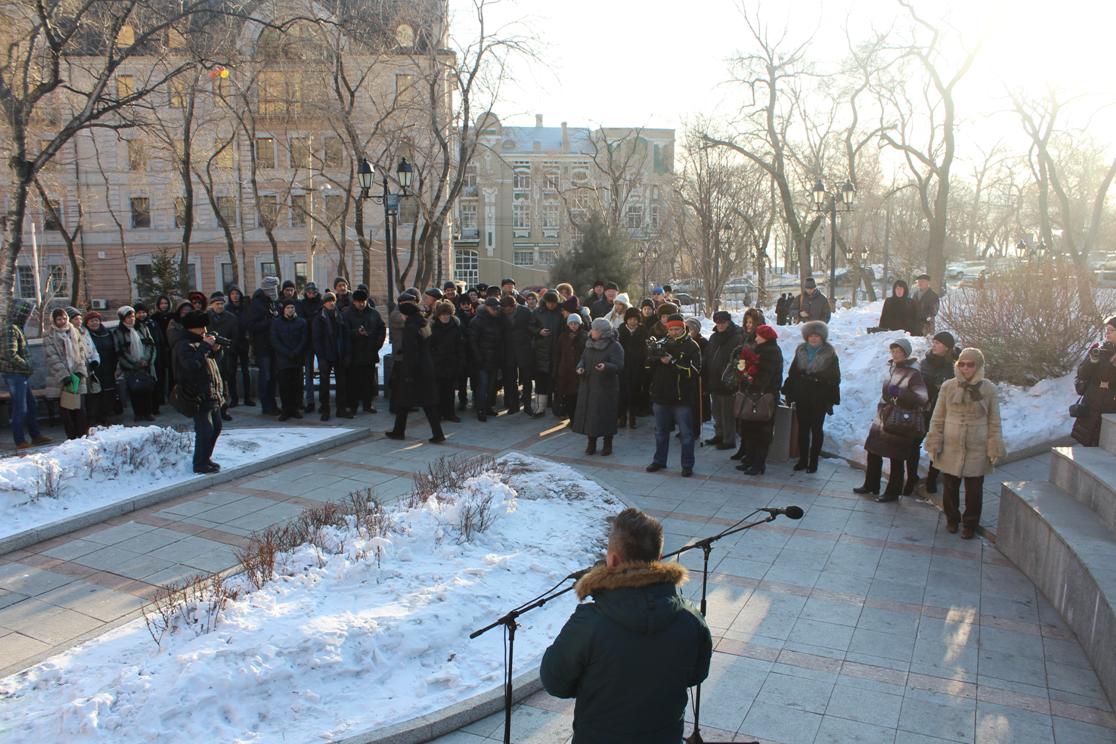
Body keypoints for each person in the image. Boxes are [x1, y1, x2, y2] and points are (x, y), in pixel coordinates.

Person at [540, 507, 712, 744]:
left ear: (612, 560)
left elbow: (554, 681)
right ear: (659, 559)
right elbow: (696, 675)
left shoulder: (590, 623)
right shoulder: (690, 618)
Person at [923, 347, 1003, 538]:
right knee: (950, 486)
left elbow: (994, 420)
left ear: (979, 366)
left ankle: (970, 524)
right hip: (951, 444)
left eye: (970, 364)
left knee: (974, 489)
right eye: (962, 364)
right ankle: (952, 519)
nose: (965, 368)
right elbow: (938, 416)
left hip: (977, 446)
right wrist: (934, 439)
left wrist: (994, 445)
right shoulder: (948, 386)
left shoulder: (989, 389)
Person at [854, 338, 929, 501]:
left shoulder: (914, 373)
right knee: (873, 450)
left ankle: (893, 492)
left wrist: (900, 393)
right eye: (893, 351)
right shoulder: (892, 368)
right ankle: (871, 485)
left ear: (906, 353)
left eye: (899, 352)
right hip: (884, 417)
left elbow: (922, 398)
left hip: (900, 420)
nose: (896, 355)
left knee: (896, 457)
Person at [646, 313, 702, 477]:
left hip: (681, 397)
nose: (674, 332)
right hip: (660, 395)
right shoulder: (662, 342)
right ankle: (659, 460)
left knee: (686, 434)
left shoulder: (692, 346)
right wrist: (652, 357)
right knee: (660, 431)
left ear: (683, 328)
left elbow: (695, 371)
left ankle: (687, 465)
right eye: (671, 329)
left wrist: (672, 361)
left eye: (677, 329)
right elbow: (648, 368)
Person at [782, 320, 841, 473]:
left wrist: (821, 381)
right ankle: (802, 459)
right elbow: (792, 373)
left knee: (816, 429)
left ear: (822, 337)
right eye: (811, 335)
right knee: (802, 429)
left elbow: (835, 378)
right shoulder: (800, 350)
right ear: (806, 337)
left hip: (819, 398)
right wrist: (790, 391)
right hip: (802, 396)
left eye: (817, 336)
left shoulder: (830, 354)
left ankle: (813, 461)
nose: (814, 338)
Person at [385, 301, 445, 443]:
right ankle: (436, 433)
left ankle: (400, 432)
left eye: (401, 313)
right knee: (412, 403)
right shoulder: (424, 324)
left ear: (406, 314)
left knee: (406, 401)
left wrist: (408, 375)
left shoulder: (410, 328)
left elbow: (412, 353)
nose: (400, 316)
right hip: (426, 367)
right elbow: (423, 345)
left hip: (415, 371)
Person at [175, 311, 226, 474]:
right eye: (201, 327)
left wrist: (216, 349)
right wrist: (205, 346)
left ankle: (206, 458)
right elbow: (191, 365)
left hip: (212, 391)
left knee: (216, 427)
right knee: (205, 430)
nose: (205, 330)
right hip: (197, 393)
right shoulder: (184, 344)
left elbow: (212, 362)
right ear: (192, 328)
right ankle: (199, 463)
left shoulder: (200, 342)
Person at [727, 324, 783, 475]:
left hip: (763, 398)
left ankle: (758, 464)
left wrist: (746, 376)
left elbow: (763, 378)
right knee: (749, 430)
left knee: (761, 433)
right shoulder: (759, 349)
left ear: (765, 338)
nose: (756, 337)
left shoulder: (770, 352)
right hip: (752, 396)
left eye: (759, 335)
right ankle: (750, 460)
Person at [0, 300, 51, 449]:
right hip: (14, 374)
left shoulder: (16, 327)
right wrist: (27, 365)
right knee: (20, 407)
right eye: (28, 313)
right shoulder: (10, 329)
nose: (30, 317)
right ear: (20, 313)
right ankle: (20, 440)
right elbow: (10, 354)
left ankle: (36, 436)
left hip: (20, 374)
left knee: (31, 404)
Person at [573, 318, 625, 456]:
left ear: (602, 332)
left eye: (594, 329)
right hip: (589, 386)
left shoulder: (614, 346)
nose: (591, 331)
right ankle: (591, 443)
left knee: (605, 415)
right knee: (590, 415)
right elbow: (583, 359)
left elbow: (619, 365)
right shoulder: (589, 343)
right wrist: (580, 367)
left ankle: (608, 444)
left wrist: (606, 366)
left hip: (605, 388)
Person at [917, 331, 958, 493]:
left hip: (944, 411)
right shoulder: (926, 362)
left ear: (947, 348)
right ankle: (912, 476)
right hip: (925, 408)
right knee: (915, 441)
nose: (934, 345)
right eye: (933, 342)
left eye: (938, 343)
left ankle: (932, 479)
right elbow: (918, 384)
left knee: (939, 445)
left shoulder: (954, 365)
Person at [43, 307, 90, 439]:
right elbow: (51, 357)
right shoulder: (49, 335)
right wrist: (65, 376)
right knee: (67, 409)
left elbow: (81, 352)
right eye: (59, 319)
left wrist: (80, 371)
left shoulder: (74, 331)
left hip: (77, 376)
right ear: (54, 320)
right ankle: (71, 437)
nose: (62, 321)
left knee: (80, 408)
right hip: (61, 378)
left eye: (64, 318)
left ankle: (82, 436)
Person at [1071, 316, 1116, 446]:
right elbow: (1082, 374)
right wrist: (1092, 361)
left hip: (1111, 403)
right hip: (1092, 399)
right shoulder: (1098, 348)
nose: (1107, 333)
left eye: (1111, 330)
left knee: (1103, 443)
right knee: (1085, 438)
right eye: (1106, 330)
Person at [343, 288, 386, 414]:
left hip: (369, 352)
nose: (361, 304)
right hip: (354, 354)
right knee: (353, 382)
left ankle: (368, 404)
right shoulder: (347, 314)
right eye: (358, 302)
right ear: (354, 302)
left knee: (368, 381)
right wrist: (356, 333)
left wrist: (377, 344)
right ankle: (353, 405)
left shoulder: (373, 313)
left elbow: (381, 329)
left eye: (363, 301)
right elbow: (343, 332)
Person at [705, 310, 743, 451]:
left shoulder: (737, 337)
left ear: (728, 322)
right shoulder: (714, 337)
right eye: (718, 322)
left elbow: (738, 359)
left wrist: (732, 376)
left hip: (728, 381)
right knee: (717, 411)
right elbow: (708, 355)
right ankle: (719, 435)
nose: (720, 325)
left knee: (728, 413)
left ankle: (729, 439)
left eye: (723, 322)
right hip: (714, 380)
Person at [113, 305, 157, 422]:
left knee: (147, 389)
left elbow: (150, 344)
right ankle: (138, 413)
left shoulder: (142, 327)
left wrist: (146, 359)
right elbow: (121, 351)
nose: (131, 319)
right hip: (130, 366)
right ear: (123, 319)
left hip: (145, 363)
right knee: (134, 390)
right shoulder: (119, 332)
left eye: (132, 316)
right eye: (128, 317)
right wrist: (134, 363)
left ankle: (148, 412)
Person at [312, 291, 352, 421]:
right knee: (324, 385)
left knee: (342, 384)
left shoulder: (340, 316)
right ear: (324, 303)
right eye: (328, 301)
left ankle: (341, 409)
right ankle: (325, 409)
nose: (331, 303)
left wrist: (346, 354)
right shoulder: (319, 318)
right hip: (326, 355)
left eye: (333, 300)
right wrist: (321, 358)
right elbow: (316, 340)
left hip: (339, 354)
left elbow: (346, 336)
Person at [246, 277, 280, 414]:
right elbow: (251, 325)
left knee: (272, 377)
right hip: (263, 347)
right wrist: (270, 321)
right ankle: (266, 406)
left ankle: (272, 404)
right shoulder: (257, 304)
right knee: (265, 377)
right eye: (272, 289)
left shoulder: (272, 302)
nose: (274, 291)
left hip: (273, 346)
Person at [270, 299, 308, 421]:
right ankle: (286, 410)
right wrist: (286, 352)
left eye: (292, 307)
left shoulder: (301, 322)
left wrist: (296, 352)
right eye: (288, 308)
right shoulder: (276, 323)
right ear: (284, 309)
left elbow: (304, 339)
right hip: (283, 360)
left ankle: (295, 409)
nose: (290, 309)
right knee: (284, 386)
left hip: (297, 359)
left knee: (297, 386)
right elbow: (275, 340)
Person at [468, 296, 504, 421]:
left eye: (497, 308)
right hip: (482, 360)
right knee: (482, 386)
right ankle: (481, 410)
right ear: (487, 307)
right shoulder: (477, 321)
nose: (496, 310)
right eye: (493, 308)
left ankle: (488, 407)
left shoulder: (497, 319)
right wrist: (478, 358)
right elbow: (472, 342)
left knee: (491, 386)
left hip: (494, 359)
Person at [429, 300, 465, 422]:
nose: (445, 317)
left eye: (447, 314)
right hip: (437, 363)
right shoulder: (433, 327)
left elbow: (460, 345)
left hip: (451, 362)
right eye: (443, 314)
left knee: (450, 391)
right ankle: (438, 413)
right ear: (438, 316)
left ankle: (450, 413)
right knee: (438, 390)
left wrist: (460, 361)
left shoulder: (456, 327)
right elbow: (429, 346)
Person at [207, 292, 239, 422]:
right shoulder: (206, 318)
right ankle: (213, 411)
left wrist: (228, 347)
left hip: (226, 353)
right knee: (212, 383)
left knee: (224, 382)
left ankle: (224, 409)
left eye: (221, 304)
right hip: (210, 354)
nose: (220, 306)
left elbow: (236, 336)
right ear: (212, 305)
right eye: (217, 304)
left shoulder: (231, 318)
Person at [531, 290, 565, 416]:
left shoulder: (561, 313)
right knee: (541, 381)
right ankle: (540, 408)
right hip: (541, 351)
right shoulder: (537, 312)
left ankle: (557, 408)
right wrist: (539, 331)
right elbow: (530, 326)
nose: (551, 305)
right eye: (549, 303)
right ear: (545, 302)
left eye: (554, 303)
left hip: (557, 351)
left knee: (557, 382)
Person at [501, 295, 535, 414]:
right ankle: (513, 405)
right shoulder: (502, 314)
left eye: (508, 309)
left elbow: (532, 326)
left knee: (527, 379)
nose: (505, 311)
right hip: (508, 351)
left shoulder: (524, 311)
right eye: (504, 309)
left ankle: (527, 405)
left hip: (524, 349)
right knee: (511, 380)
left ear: (514, 306)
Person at [618, 307, 648, 429]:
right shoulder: (621, 329)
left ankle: (633, 419)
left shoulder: (642, 330)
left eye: (635, 319)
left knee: (635, 392)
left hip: (637, 365)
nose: (632, 322)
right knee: (622, 393)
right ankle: (622, 418)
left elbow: (645, 348)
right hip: (623, 365)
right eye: (630, 319)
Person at [85, 311, 117, 426]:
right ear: (87, 323)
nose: (94, 323)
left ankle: (108, 415)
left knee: (109, 392)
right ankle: (96, 418)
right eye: (91, 321)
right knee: (96, 394)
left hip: (109, 366)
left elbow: (114, 348)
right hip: (95, 368)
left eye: (96, 320)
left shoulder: (107, 333)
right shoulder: (86, 335)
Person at [554, 313, 587, 418]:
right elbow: (558, 353)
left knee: (578, 395)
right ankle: (569, 415)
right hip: (565, 370)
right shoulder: (563, 336)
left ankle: (578, 417)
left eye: (576, 323)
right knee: (567, 395)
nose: (573, 326)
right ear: (568, 324)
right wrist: (556, 369)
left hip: (579, 370)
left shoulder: (584, 336)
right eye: (571, 323)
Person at [225, 286, 253, 408]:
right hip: (231, 343)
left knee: (246, 371)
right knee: (231, 372)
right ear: (229, 296)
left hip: (244, 342)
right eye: (232, 293)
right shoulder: (227, 309)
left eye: (237, 293)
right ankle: (234, 398)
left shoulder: (245, 308)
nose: (235, 296)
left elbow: (249, 323)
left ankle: (247, 397)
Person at [296, 282, 322, 412]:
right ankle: (310, 401)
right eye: (309, 292)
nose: (311, 294)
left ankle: (323, 401)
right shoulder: (301, 304)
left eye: (313, 292)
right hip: (307, 343)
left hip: (320, 342)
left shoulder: (321, 303)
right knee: (308, 373)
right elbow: (301, 322)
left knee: (324, 371)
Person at [685, 317, 710, 441]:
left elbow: (705, 361)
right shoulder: (684, 342)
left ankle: (695, 429)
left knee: (696, 406)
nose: (688, 331)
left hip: (698, 378)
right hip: (686, 377)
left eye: (691, 329)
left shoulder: (702, 342)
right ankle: (685, 428)